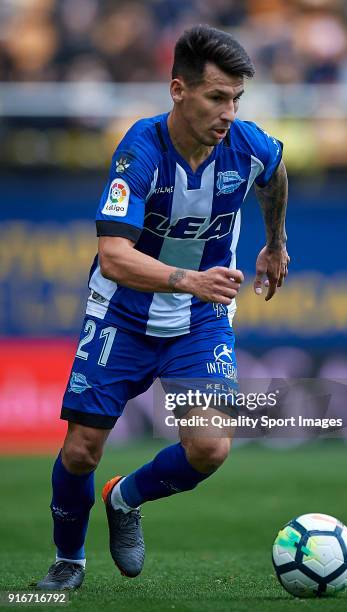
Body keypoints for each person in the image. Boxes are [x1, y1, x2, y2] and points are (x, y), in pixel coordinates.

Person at [36, 25, 289, 590]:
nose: (229, 113)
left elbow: (276, 172)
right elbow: (114, 257)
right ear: (179, 90)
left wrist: (275, 242)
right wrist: (190, 279)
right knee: (80, 450)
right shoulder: (141, 151)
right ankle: (69, 561)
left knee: (208, 448)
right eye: (216, 97)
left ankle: (124, 498)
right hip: (123, 314)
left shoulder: (246, 144)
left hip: (199, 321)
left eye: (236, 99)